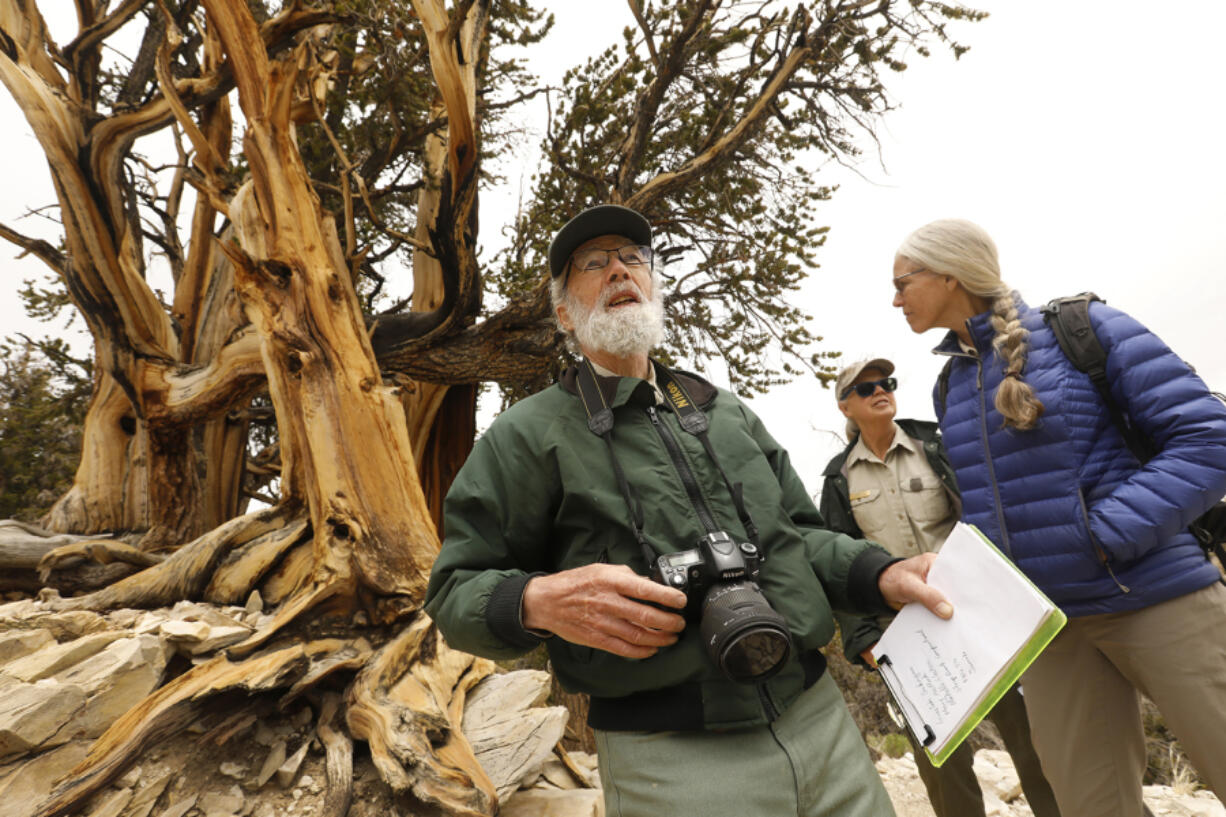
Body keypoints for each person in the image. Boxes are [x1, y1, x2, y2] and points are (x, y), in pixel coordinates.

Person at [425, 204, 954, 817]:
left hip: (821, 720)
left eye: (633, 259)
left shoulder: (723, 410)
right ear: (565, 314)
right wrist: (537, 601)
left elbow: (799, 537)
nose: (620, 272)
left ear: (652, 285)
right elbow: (454, 592)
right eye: (593, 264)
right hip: (669, 761)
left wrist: (880, 573)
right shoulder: (524, 435)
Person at [890, 217, 1226, 817]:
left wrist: (1105, 535)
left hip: (1155, 596)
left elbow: (1208, 439)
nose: (896, 299)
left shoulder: (1083, 329)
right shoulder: (951, 384)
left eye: (903, 282)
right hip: (1049, 630)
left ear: (947, 274)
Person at [819, 357, 1061, 817]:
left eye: (886, 382)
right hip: (905, 636)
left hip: (978, 614)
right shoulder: (838, 479)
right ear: (844, 406)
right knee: (942, 762)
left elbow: (986, 509)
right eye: (866, 387)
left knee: (1034, 741)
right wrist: (864, 639)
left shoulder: (936, 443)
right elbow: (839, 565)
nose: (879, 391)